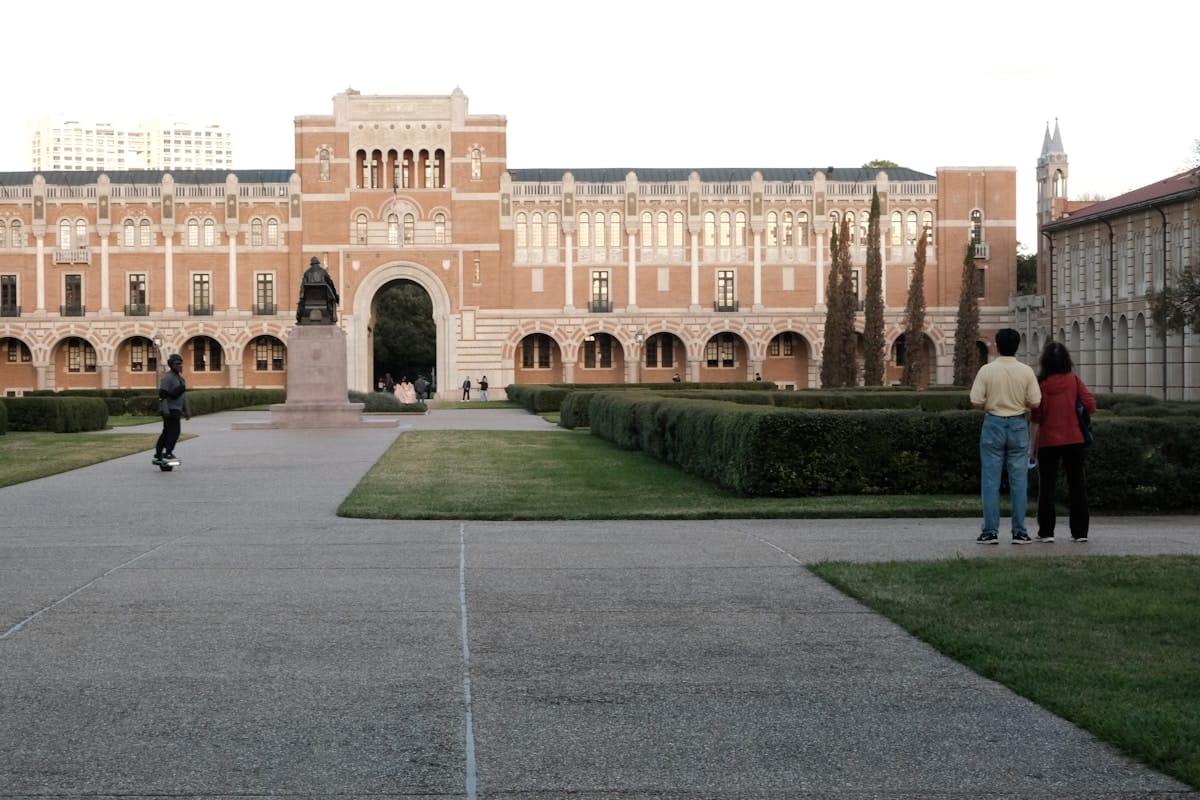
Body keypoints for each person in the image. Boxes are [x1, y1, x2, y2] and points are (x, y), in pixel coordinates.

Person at [969, 328, 1041, 545]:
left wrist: (991, 404)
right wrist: (1021, 404)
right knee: (1019, 481)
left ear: (998, 347)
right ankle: (1019, 531)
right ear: (1017, 346)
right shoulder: (1026, 371)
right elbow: (1036, 401)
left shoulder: (987, 370)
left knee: (990, 481)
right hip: (1018, 423)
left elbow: (975, 399)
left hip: (993, 423)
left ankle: (990, 531)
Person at [1030, 341, 1097, 543]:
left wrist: (1032, 446)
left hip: (1048, 442)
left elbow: (1036, 416)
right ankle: (1079, 532)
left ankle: (1047, 531)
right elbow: (1091, 405)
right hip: (1074, 439)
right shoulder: (1074, 382)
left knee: (1047, 487)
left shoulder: (1040, 385)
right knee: (1077, 485)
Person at [154, 353, 191, 465]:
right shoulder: (168, 378)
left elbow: (183, 396)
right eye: (176, 364)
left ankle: (158, 453)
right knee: (174, 432)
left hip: (177, 409)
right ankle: (168, 452)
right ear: (171, 365)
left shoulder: (181, 379)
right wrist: (165, 410)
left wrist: (186, 410)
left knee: (167, 432)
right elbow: (162, 395)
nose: (179, 366)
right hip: (170, 409)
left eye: (180, 364)